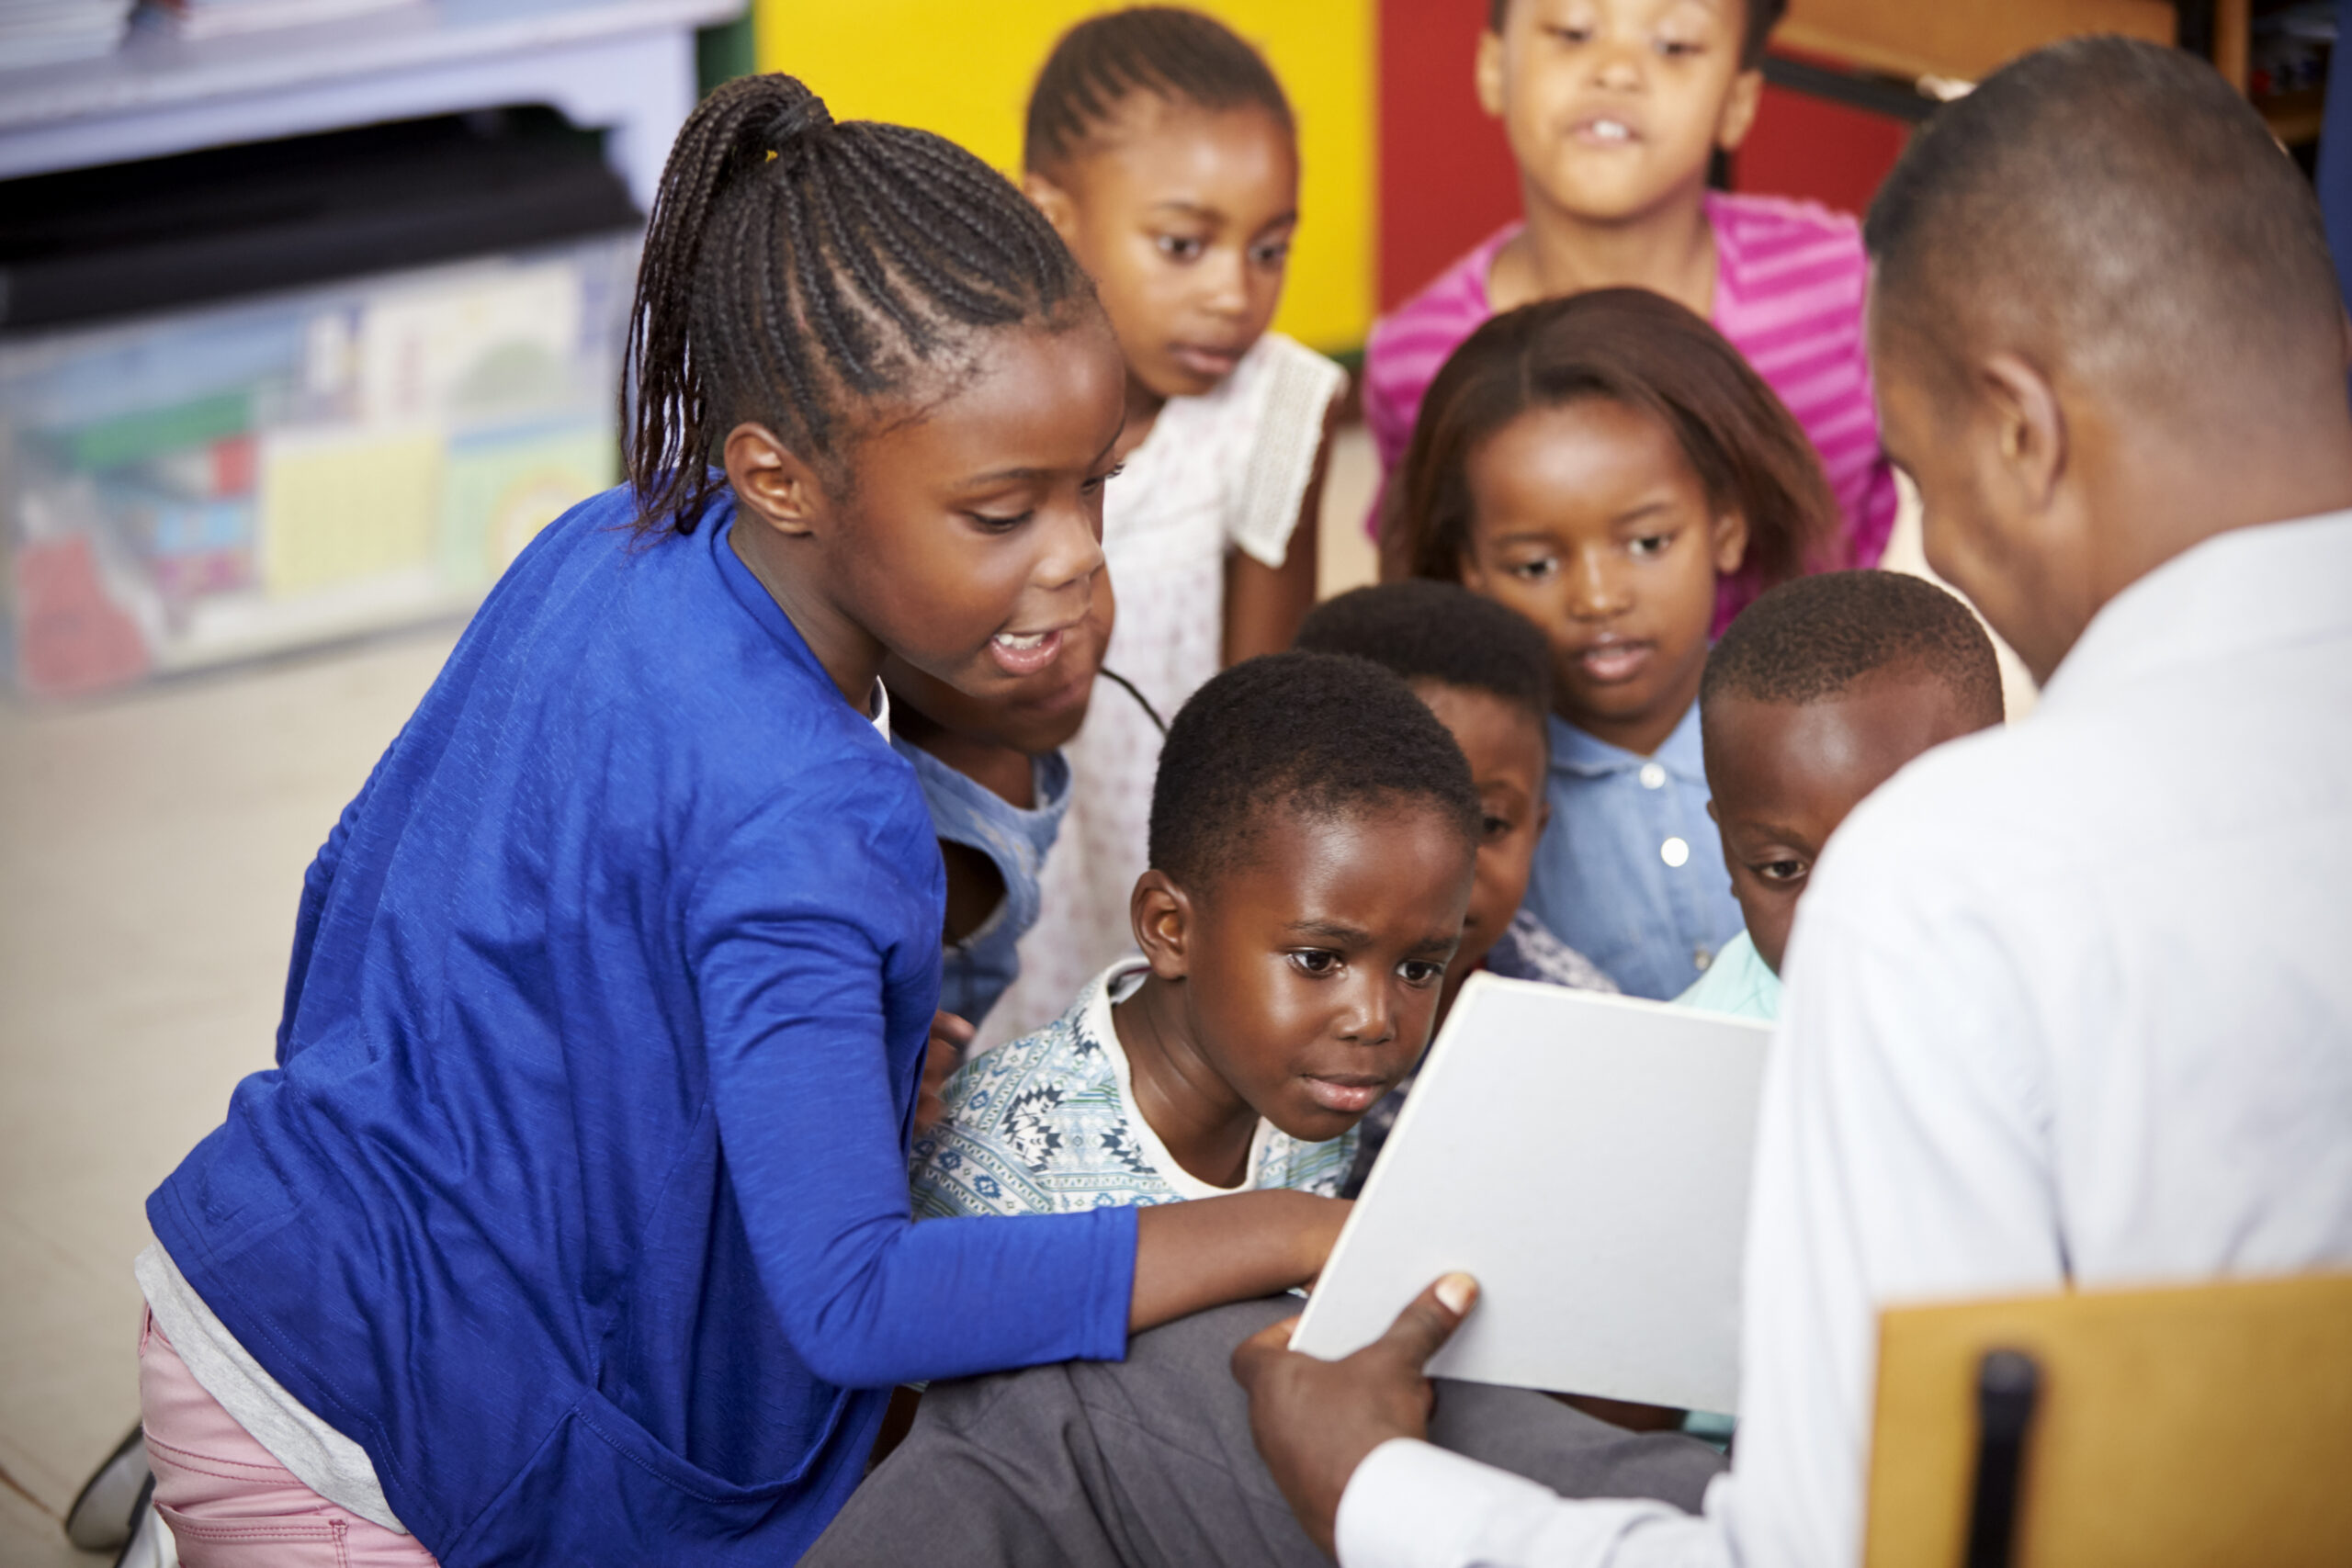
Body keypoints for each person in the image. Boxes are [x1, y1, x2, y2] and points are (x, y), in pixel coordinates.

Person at [797, 38, 2352, 1568]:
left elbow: (1816, 1543)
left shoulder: (1954, 879)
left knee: (1065, 1424)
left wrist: (1378, 1490)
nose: (1942, 536)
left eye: (1926, 478)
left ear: (2023, 430)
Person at [130, 75, 1350, 1567]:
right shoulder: (817, 819)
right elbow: (853, 1301)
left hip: (272, 1233)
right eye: (1000, 512)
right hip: (355, 1429)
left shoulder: (618, 532)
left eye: (1094, 488)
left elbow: (367, 888)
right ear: (781, 472)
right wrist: (1291, 1233)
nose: (1074, 562)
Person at [988, 6, 1351, 1047]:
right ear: (1053, 217)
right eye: (1183, 245)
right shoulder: (978, 394)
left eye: (1270, 248)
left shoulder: (1276, 411)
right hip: (1019, 831)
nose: (1235, 294)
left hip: (1190, 852)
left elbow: (1265, 705)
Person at [1363, 0, 1894, 623]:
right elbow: (1425, 611)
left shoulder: (1847, 286)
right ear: (1490, 67)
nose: (1616, 72)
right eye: (1572, 32)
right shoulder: (1416, 356)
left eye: (1672, 45)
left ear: (1737, 103)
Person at [912, 650, 1478, 1220]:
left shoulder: (1316, 1097)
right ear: (1171, 929)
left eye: (1417, 970)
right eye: (1317, 960)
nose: (1374, 1021)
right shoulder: (998, 1167)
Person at [1390, 288, 1838, 998]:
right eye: (1535, 565)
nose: (1598, 598)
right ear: (1469, 569)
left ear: (1726, 522)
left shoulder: (1821, 739)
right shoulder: (1474, 801)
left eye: (1647, 542)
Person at [1291, 581, 1616, 1194]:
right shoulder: (1234, 1000)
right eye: (1405, 822)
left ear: (1538, 829)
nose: (1453, 869)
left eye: (1491, 824)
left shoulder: (1580, 1028)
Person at [1676, 570, 2003, 1022]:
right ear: (1728, 852)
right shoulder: (1696, 1061)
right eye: (1784, 869)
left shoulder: (2093, 977)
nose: (1841, 920)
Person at [885, 576, 1114, 1033]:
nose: (1068, 631)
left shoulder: (992, 727)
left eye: (1086, 577)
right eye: (995, 523)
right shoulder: (888, 840)